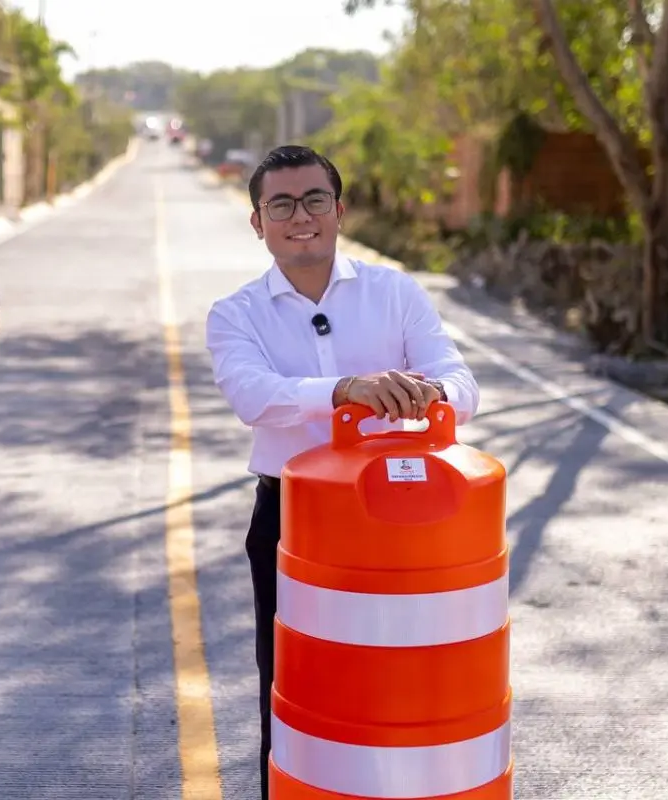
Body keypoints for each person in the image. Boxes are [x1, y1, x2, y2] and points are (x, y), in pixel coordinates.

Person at [204, 145, 479, 799]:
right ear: (258, 221)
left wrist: (430, 396)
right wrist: (344, 391)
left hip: (408, 517)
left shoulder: (396, 292)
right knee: (300, 684)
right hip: (292, 521)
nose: (301, 216)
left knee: (408, 682)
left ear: (340, 210)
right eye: (282, 204)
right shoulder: (235, 314)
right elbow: (253, 396)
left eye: (315, 200)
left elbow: (461, 385)